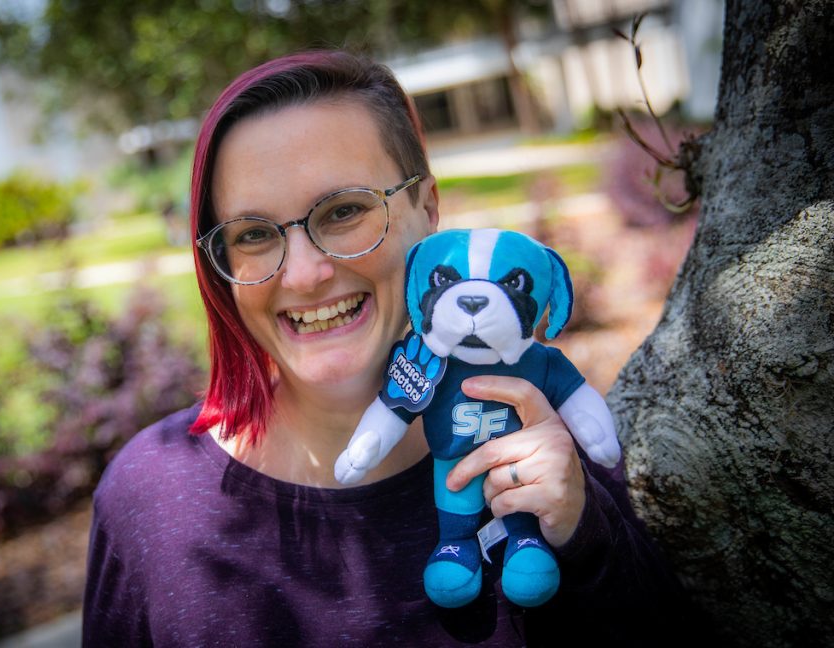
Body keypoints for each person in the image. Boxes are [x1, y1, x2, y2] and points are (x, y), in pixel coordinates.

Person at [83, 50, 696, 647]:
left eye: (344, 211)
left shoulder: (551, 444)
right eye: (252, 234)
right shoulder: (147, 498)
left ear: (427, 209)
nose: (302, 274)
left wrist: (584, 536)